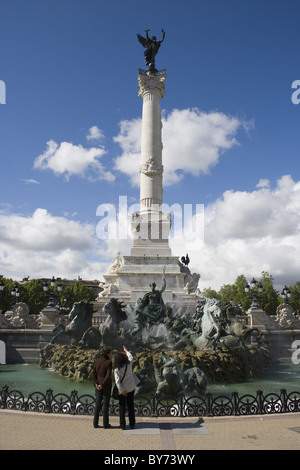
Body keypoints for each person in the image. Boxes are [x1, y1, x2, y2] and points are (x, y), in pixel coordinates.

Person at [114, 345, 140, 430]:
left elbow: (117, 382)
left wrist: (122, 391)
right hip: (131, 389)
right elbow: (131, 357)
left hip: (123, 391)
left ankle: (122, 425)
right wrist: (126, 351)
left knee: (122, 407)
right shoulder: (129, 365)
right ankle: (132, 424)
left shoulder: (116, 369)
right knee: (130, 406)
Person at [92, 345, 113, 429]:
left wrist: (96, 383)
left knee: (97, 404)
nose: (112, 353)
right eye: (111, 352)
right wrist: (102, 385)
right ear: (108, 353)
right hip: (106, 386)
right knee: (105, 404)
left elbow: (93, 373)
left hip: (98, 386)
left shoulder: (97, 361)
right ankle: (105, 424)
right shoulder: (109, 362)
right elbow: (108, 376)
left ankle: (95, 423)